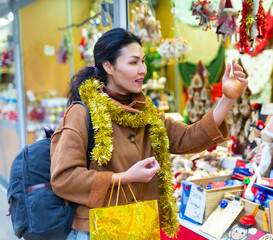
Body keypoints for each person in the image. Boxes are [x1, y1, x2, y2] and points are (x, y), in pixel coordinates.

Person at [50, 27, 247, 239]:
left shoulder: (147, 113)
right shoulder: (81, 113)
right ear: (108, 66)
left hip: (141, 227)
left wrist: (227, 99)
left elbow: (188, 137)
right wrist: (123, 178)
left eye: (142, 61)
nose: (142, 69)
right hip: (96, 230)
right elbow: (64, 178)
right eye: (133, 62)